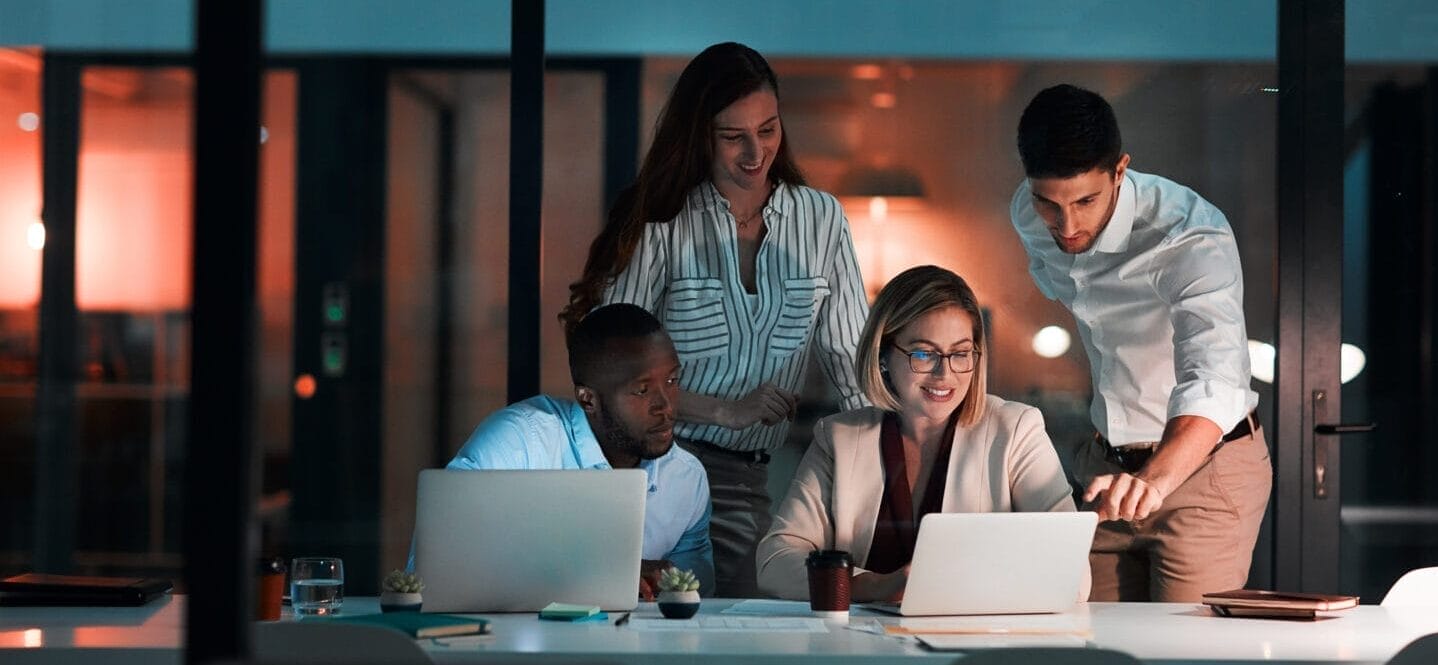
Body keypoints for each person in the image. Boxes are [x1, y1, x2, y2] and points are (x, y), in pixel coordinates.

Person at [561, 42, 868, 597]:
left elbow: (853, 363)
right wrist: (727, 409)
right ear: (699, 135)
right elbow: (611, 370)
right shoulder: (661, 219)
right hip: (654, 466)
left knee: (745, 621)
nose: (756, 153)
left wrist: (891, 461)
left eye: (768, 130)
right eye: (734, 137)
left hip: (747, 476)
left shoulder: (821, 218)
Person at [1008, 83, 1272, 602]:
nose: (1067, 225)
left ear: (1121, 170)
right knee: (1084, 639)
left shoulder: (1190, 236)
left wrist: (1154, 479)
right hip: (1105, 470)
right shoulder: (1028, 216)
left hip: (1204, 472)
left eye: (1086, 200)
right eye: (1049, 202)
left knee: (1182, 653)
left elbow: (1214, 378)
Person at [756, 265, 1082, 602]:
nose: (945, 374)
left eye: (959, 354)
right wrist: (870, 586)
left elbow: (1074, 575)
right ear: (883, 355)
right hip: (864, 647)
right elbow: (775, 561)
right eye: (924, 354)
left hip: (974, 642)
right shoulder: (839, 437)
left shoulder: (1016, 430)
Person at [434, 304, 713, 598]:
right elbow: (438, 567)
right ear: (588, 399)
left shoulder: (686, 480)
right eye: (642, 390)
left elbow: (692, 604)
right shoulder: (518, 443)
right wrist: (605, 575)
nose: (666, 407)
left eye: (671, 381)